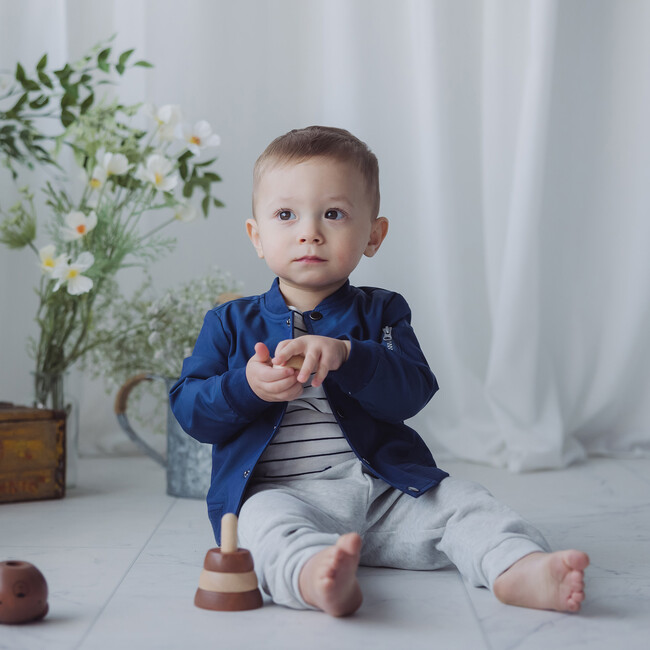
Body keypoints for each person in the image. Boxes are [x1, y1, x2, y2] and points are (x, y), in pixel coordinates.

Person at [169, 126, 589, 617]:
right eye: (286, 215)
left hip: (386, 492)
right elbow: (191, 410)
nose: (310, 231)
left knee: (464, 501)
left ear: (373, 234)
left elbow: (411, 392)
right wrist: (247, 387)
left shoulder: (384, 312)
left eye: (334, 213)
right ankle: (316, 576)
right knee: (259, 526)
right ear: (257, 237)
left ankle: (518, 567)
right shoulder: (228, 323)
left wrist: (351, 355)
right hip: (284, 493)